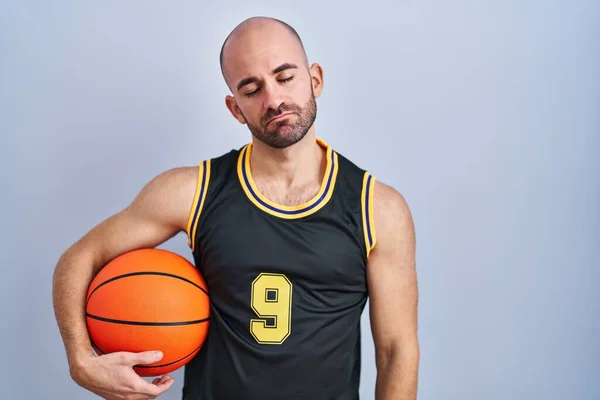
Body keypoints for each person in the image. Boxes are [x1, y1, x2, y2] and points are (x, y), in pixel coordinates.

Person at [52, 16, 419, 400]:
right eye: (251, 88)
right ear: (235, 108)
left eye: (285, 76)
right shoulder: (194, 190)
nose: (273, 99)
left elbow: (397, 352)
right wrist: (80, 360)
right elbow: (80, 256)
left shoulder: (377, 208)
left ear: (315, 80)